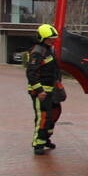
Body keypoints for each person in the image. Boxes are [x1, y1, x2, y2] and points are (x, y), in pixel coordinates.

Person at [26, 24, 66, 155]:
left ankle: (45, 138)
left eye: (54, 38)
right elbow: (31, 73)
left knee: (54, 113)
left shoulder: (49, 50)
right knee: (43, 117)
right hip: (41, 92)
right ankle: (38, 143)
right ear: (43, 38)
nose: (53, 40)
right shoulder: (38, 52)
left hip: (51, 90)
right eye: (50, 38)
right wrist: (39, 91)